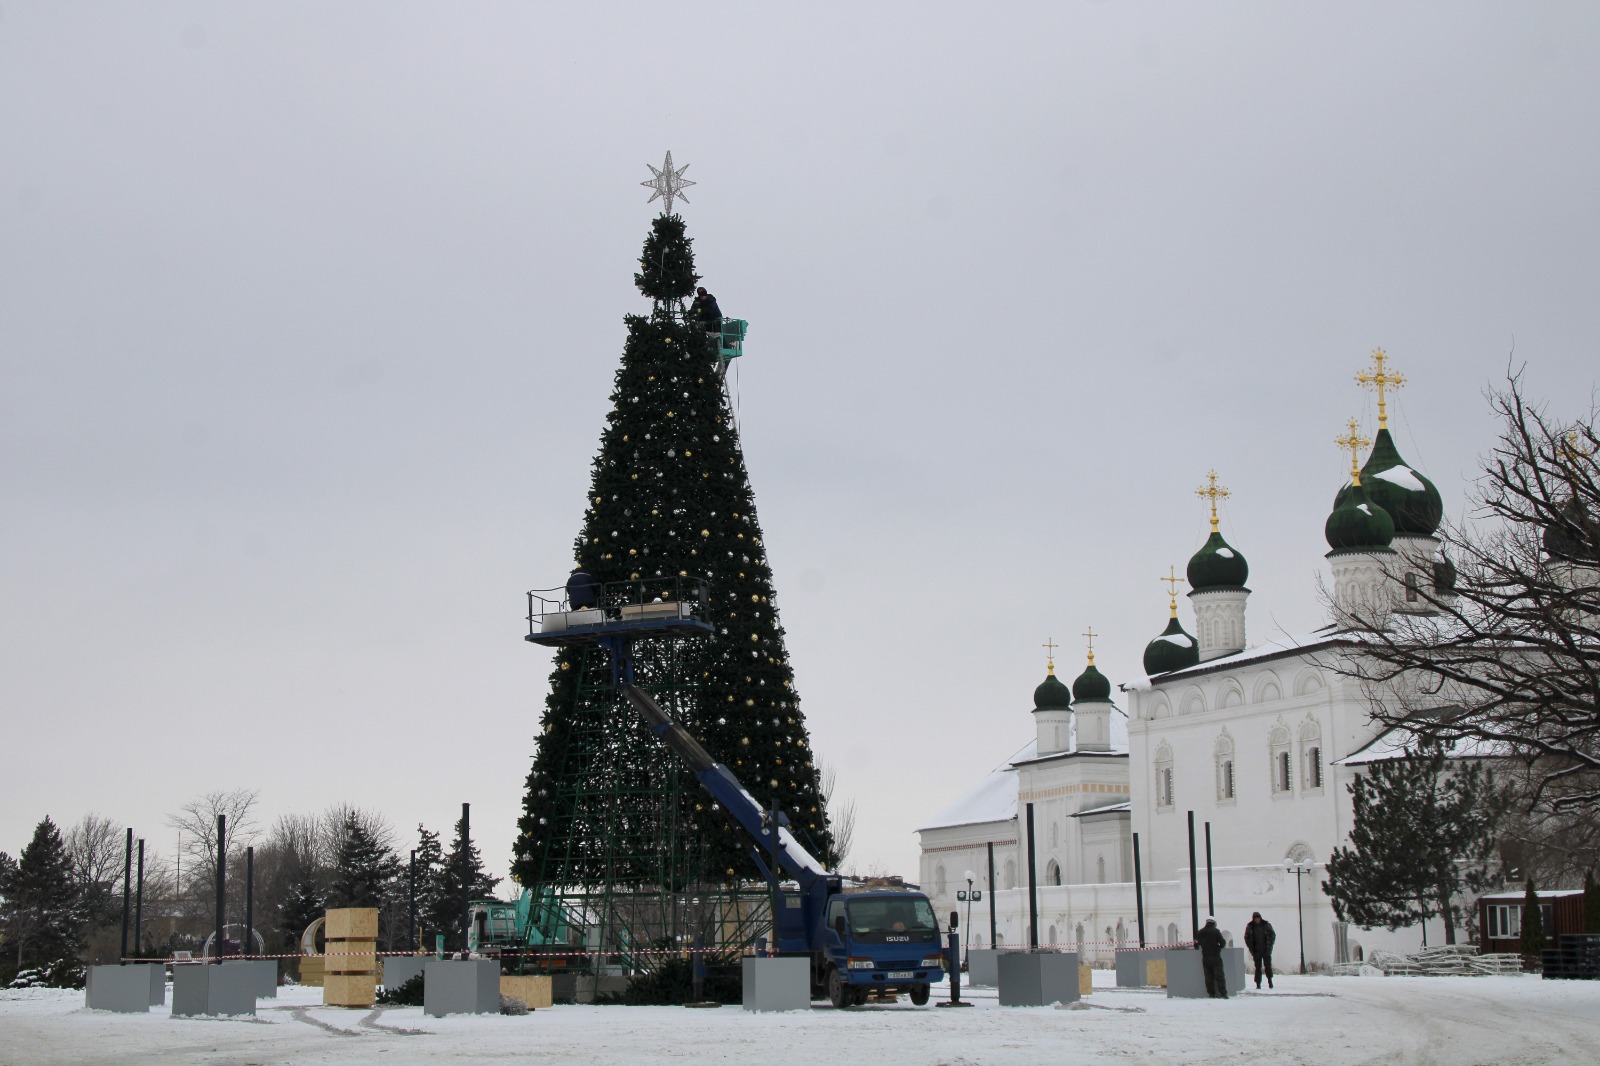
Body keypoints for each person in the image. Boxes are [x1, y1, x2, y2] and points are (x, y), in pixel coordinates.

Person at [1197, 916, 1228, 999]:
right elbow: (1222, 943)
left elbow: (1197, 943)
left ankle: (1211, 993)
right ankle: (1223, 993)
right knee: (1219, 976)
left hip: (1206, 957)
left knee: (1208, 976)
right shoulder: (1216, 931)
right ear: (1214, 923)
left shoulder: (1201, 932)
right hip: (1215, 956)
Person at [1244, 911, 1275, 989]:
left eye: (1258, 918)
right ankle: (1258, 984)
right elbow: (1247, 938)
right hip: (1256, 951)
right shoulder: (1250, 927)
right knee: (1258, 968)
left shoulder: (1266, 925)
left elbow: (1272, 935)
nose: (1257, 920)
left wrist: (1270, 945)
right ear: (1253, 919)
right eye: (1256, 918)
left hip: (1266, 950)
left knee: (1268, 966)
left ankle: (1270, 981)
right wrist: (1251, 948)